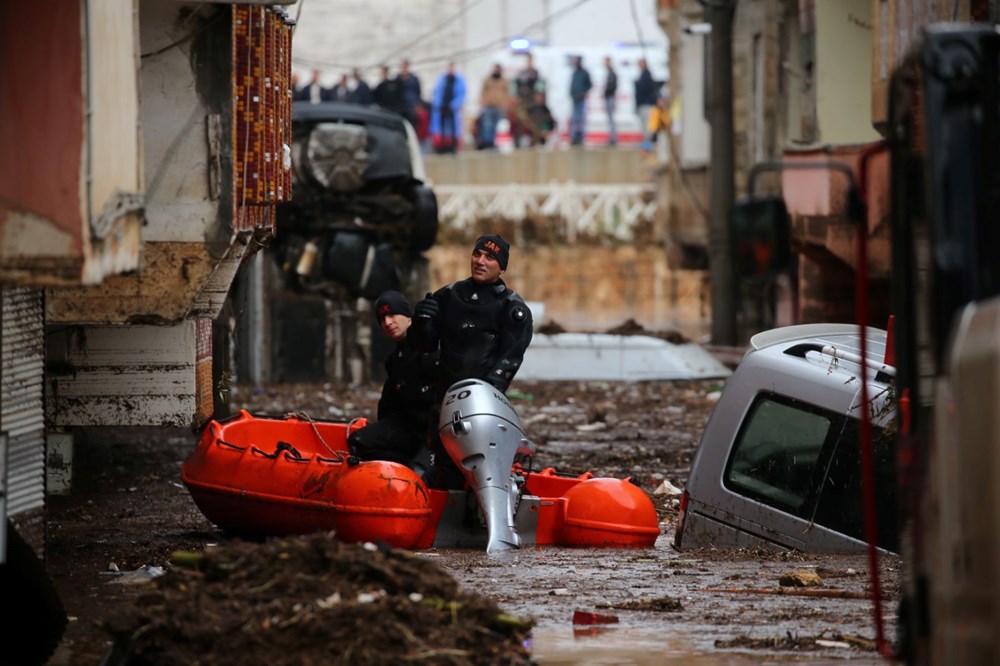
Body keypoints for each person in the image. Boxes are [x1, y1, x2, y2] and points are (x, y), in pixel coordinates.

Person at [411, 234, 534, 488]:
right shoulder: (449, 295)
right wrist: (422, 323)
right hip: (441, 400)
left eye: (489, 257)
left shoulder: (512, 308)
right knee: (430, 470)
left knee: (468, 475)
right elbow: (423, 348)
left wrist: (482, 402)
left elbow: (507, 364)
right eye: (477, 254)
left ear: (501, 267)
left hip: (479, 409)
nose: (480, 261)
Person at [346, 291, 438, 466]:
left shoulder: (431, 343)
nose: (387, 322)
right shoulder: (394, 361)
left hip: (434, 435)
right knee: (358, 441)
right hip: (407, 432)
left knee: (420, 472)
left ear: (408, 316)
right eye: (382, 319)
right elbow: (388, 407)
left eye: (392, 315)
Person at [430, 61, 466, 154]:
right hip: (442, 107)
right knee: (441, 127)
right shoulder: (442, 79)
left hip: (453, 109)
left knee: (453, 128)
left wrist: (454, 105)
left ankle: (453, 146)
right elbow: (437, 92)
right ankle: (441, 146)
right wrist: (438, 104)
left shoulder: (459, 80)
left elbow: (461, 94)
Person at [512, 52, 542, 148]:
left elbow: (537, 84)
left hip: (531, 100)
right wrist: (516, 96)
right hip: (522, 100)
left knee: (533, 120)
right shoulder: (521, 73)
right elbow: (517, 84)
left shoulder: (534, 72)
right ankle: (518, 141)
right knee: (520, 120)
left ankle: (534, 140)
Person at [477, 63, 510, 150]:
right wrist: (482, 103)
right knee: (487, 126)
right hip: (488, 106)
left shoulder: (504, 81)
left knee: (498, 127)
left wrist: (505, 104)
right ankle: (487, 143)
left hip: (499, 107)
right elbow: (482, 92)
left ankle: (496, 143)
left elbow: (507, 94)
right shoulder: (487, 80)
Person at [568, 55, 592, 146]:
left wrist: (584, 92)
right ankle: (574, 137)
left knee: (581, 119)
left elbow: (589, 85)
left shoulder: (584, 73)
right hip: (574, 99)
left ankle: (581, 138)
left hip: (581, 99)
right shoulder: (575, 73)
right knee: (574, 119)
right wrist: (571, 94)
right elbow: (572, 85)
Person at [634, 58, 658, 137]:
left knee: (646, 123)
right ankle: (647, 140)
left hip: (646, 103)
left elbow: (644, 89)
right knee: (645, 124)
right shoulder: (643, 74)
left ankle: (648, 141)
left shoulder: (646, 75)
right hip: (643, 103)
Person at [397, 58, 422, 128]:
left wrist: (418, 104)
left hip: (411, 106)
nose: (404, 67)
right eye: (402, 65)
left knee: (412, 125)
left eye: (405, 65)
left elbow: (418, 92)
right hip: (400, 106)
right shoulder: (397, 78)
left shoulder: (414, 78)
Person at [602, 56, 618, 146]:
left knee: (611, 119)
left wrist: (606, 92)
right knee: (610, 119)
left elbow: (612, 86)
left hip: (610, 97)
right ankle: (612, 138)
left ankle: (613, 139)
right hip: (610, 97)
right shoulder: (610, 72)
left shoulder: (611, 73)